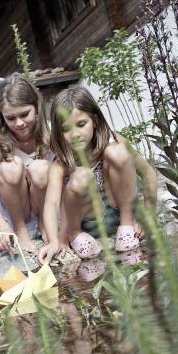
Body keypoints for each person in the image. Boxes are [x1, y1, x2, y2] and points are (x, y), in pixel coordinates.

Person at [39, 86, 157, 265]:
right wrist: (55, 240)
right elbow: (51, 203)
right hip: (88, 223)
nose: (75, 135)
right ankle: (75, 234)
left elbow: (148, 173)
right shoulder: (60, 163)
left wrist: (148, 215)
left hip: (120, 212)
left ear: (94, 120)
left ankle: (126, 225)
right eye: (66, 129)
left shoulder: (114, 140)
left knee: (117, 153)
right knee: (81, 175)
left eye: (81, 124)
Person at [0, 73, 53, 254]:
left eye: (24, 114)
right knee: (10, 167)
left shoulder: (51, 134)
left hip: (49, 211)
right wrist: (3, 227)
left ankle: (45, 224)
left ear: (36, 106)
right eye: (11, 118)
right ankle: (21, 230)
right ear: (2, 116)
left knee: (40, 168)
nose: (19, 123)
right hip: (18, 216)